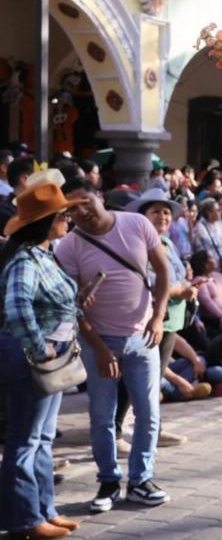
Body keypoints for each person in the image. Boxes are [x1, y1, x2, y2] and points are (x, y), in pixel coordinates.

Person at [55, 178, 172, 514]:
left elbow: (163, 271)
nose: (80, 211)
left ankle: (141, 480)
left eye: (84, 202)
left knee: (148, 413)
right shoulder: (69, 247)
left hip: (143, 337)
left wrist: (159, 317)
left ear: (100, 197)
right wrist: (101, 348)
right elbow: (72, 308)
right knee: (102, 417)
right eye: (71, 208)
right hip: (98, 343)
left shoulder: (137, 224)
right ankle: (108, 481)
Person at [0, 183, 86, 539]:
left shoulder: (43, 254)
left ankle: (43, 510)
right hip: (30, 360)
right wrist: (39, 347)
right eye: (63, 215)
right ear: (48, 221)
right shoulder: (25, 260)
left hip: (50, 359)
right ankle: (24, 519)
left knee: (42, 437)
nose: (68, 219)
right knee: (26, 439)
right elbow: (17, 308)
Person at [123, 188, 206, 446]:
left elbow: (174, 277)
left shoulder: (167, 243)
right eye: (156, 211)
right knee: (138, 379)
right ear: (143, 216)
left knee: (155, 378)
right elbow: (147, 282)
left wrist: (190, 286)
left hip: (171, 320)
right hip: (148, 319)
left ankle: (153, 431)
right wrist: (181, 290)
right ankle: (119, 431)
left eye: (167, 212)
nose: (162, 216)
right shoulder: (139, 245)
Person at [191, 198, 222, 274]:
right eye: (217, 210)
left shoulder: (219, 225)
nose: (220, 212)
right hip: (209, 267)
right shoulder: (200, 228)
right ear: (209, 213)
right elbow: (204, 252)